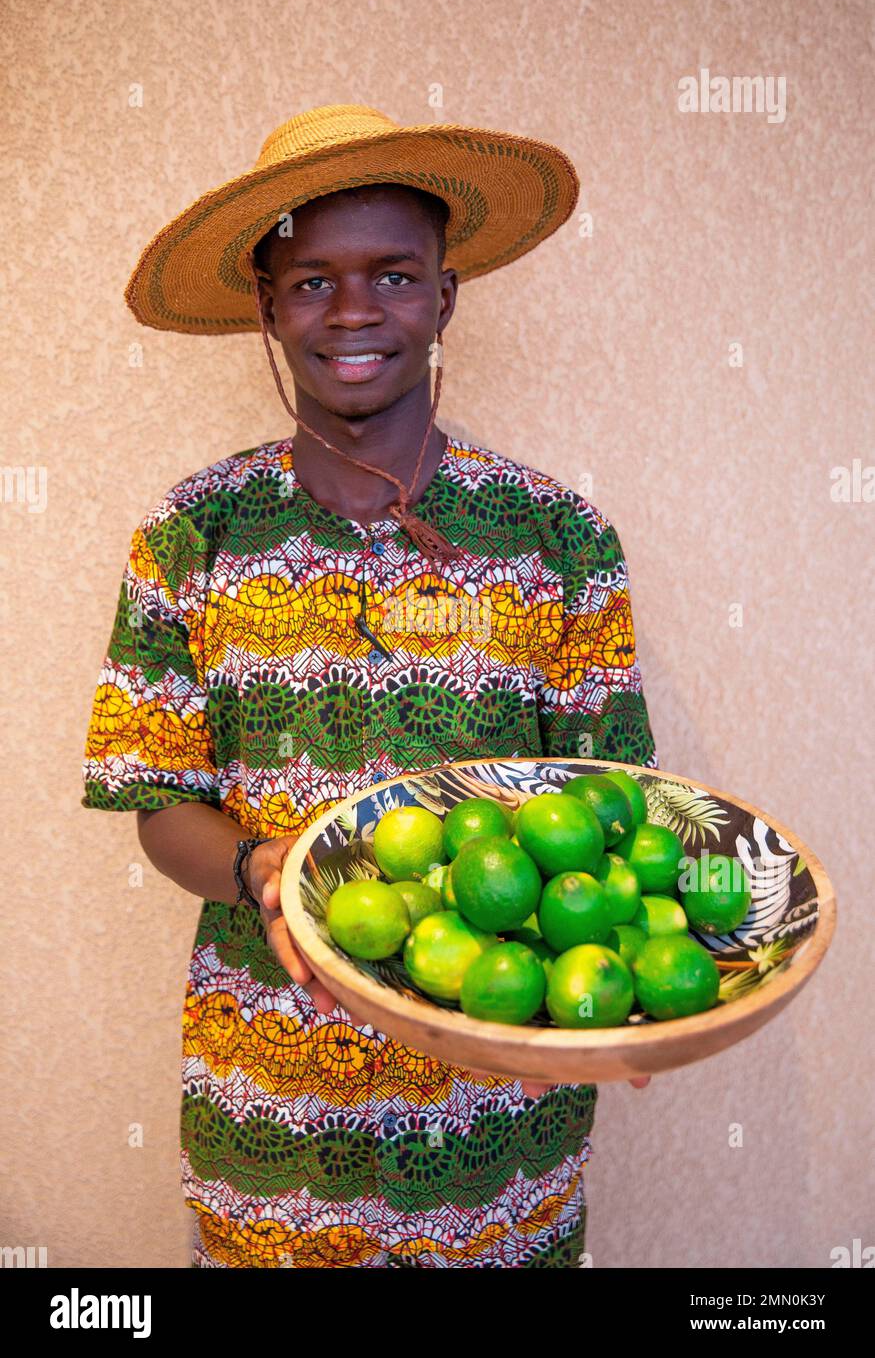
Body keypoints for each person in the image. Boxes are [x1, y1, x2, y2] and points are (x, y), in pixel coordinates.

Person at [82, 104, 658, 1268]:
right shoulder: (191, 535)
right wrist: (264, 872)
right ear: (265, 306)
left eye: (392, 274)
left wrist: (649, 980)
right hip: (276, 1120)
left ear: (444, 295)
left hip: (499, 1120)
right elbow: (155, 800)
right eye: (310, 281)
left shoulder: (557, 538)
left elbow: (612, 809)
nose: (352, 312)